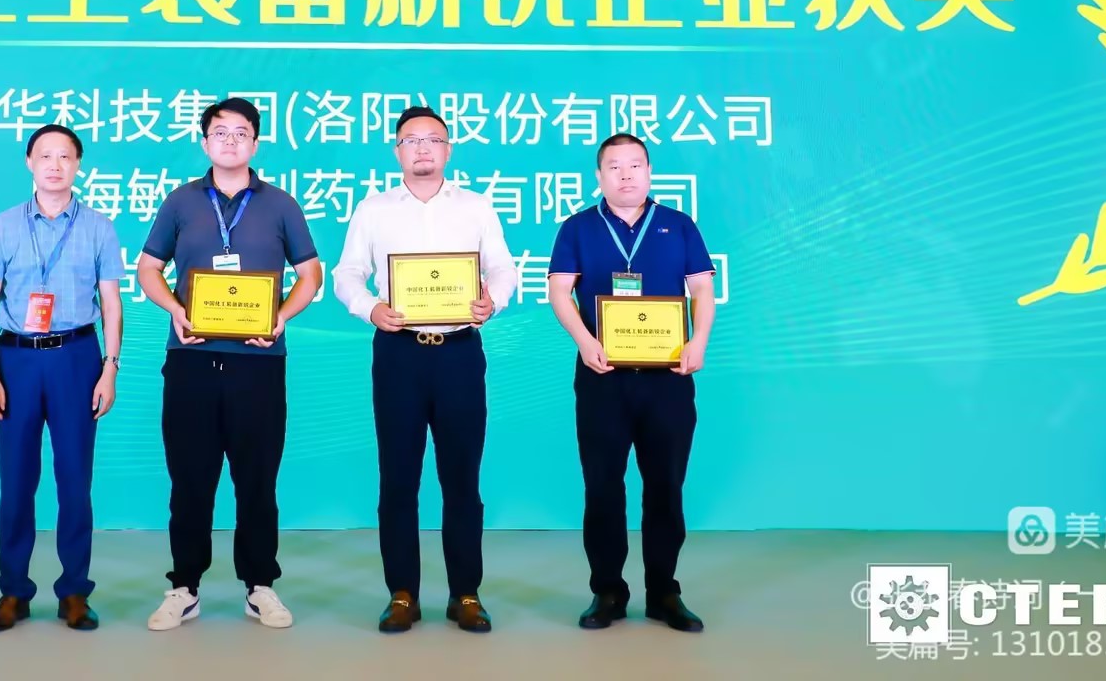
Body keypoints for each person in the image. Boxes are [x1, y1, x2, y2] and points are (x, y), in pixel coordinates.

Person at [137, 97, 323, 631]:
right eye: (220, 132)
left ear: (255, 143)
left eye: (242, 132)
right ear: (205, 142)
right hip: (191, 360)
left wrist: (281, 317)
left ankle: (260, 586)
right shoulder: (180, 201)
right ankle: (184, 587)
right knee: (189, 481)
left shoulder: (281, 204)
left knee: (257, 481)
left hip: (258, 364)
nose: (230, 141)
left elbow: (311, 274)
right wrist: (175, 310)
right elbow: (148, 268)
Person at [332, 105, 517, 634]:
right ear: (397, 151)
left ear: (448, 149)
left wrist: (493, 299)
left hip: (459, 352)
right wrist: (370, 308)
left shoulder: (476, 206)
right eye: (411, 140)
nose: (422, 148)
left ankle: (466, 594)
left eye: (432, 139)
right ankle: (402, 594)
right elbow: (347, 273)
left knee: (462, 479)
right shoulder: (373, 209)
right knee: (398, 478)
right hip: (399, 353)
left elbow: (503, 267)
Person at [546, 132, 715, 633]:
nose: (625, 175)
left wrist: (698, 340)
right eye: (614, 167)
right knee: (602, 486)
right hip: (602, 376)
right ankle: (607, 592)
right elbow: (559, 291)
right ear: (599, 176)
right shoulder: (578, 227)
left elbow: (702, 289)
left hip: (668, 377)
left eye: (635, 165)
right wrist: (584, 340)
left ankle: (664, 591)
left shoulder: (678, 225)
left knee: (665, 485)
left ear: (649, 172)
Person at [0, 123, 124, 634]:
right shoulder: (3, 226)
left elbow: (111, 304)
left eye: (65, 156)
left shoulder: (99, 227)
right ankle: (13, 591)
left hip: (77, 357)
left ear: (78, 165)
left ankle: (74, 592)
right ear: (29, 163)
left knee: (75, 481)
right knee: (16, 482)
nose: (55, 165)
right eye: (45, 156)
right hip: (16, 360)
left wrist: (109, 368)